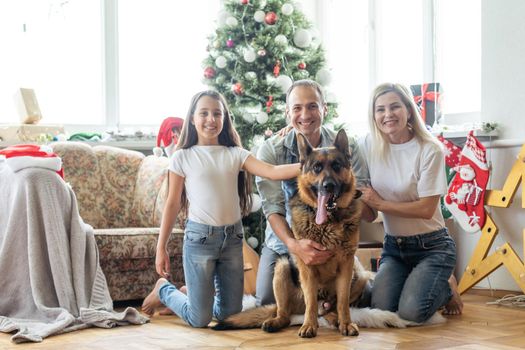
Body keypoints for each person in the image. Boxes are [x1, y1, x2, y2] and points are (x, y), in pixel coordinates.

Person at [141, 90, 301, 328]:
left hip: (232, 241)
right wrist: (160, 246)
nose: (211, 119)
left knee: (228, 315)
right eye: (204, 113)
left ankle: (194, 296)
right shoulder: (182, 157)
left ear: (225, 118)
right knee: (200, 319)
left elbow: (272, 171)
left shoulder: (235, 154)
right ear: (192, 119)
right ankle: (165, 290)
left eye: (217, 113)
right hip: (199, 240)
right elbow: (173, 203)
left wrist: (311, 164)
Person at [254, 79, 372, 307]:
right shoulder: (271, 149)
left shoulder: (346, 148)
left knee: (365, 296)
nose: (305, 114)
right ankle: (316, 305)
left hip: (335, 242)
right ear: (288, 112)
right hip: (284, 243)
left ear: (324, 108)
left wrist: (340, 245)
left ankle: (331, 300)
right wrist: (294, 245)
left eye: (312, 106)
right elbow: (272, 209)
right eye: (297, 108)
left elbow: (361, 198)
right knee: (269, 301)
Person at [358, 82, 463, 323]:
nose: (388, 115)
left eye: (395, 107)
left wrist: (380, 204)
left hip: (433, 247)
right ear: (373, 116)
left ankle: (447, 288)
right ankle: (419, 282)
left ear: (408, 109)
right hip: (394, 247)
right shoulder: (367, 145)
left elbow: (426, 209)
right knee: (381, 308)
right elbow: (335, 144)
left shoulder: (429, 149)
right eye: (380, 109)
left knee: (412, 313)